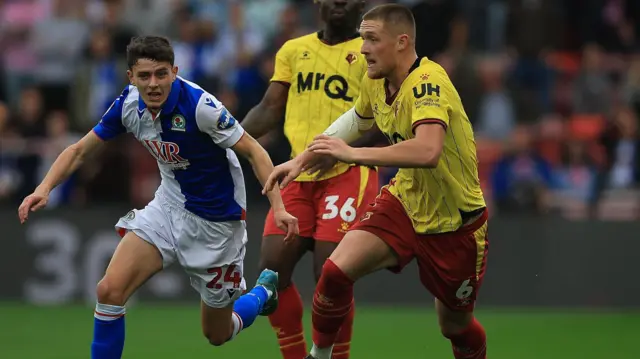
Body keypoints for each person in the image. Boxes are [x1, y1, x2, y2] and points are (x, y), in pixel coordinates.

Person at [17, 36, 299, 359]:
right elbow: (80, 150)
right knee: (109, 291)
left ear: (175, 72)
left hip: (217, 225)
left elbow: (256, 152)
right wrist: (44, 188)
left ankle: (262, 293)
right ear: (131, 78)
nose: (154, 84)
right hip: (169, 207)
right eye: (145, 76)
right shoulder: (127, 104)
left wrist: (278, 207)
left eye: (162, 74)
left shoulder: (200, 106)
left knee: (217, 333)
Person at [264, 4, 489, 359]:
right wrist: (302, 159)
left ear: (401, 42)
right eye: (363, 38)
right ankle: (319, 355)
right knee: (335, 272)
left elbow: (428, 151)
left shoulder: (428, 82)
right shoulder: (375, 80)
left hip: (454, 222)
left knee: (454, 326)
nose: (363, 48)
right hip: (404, 202)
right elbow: (356, 119)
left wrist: (352, 155)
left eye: (371, 39)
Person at [240, 1, 381, 358]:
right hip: (296, 173)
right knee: (270, 274)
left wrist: (340, 150)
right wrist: (229, 137)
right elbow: (271, 108)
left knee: (331, 273)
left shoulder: (370, 53)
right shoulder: (294, 50)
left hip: (349, 172)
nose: (338, 3)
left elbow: (385, 119)